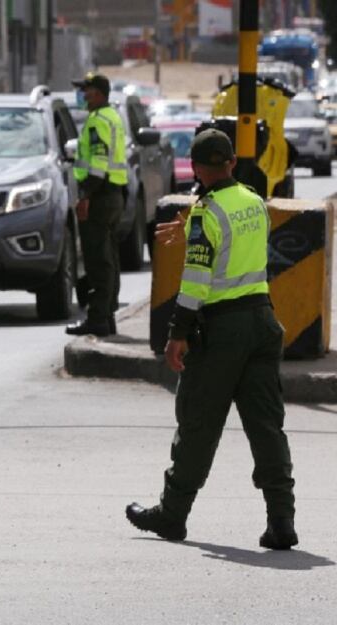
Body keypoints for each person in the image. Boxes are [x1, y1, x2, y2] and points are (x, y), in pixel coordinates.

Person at [126, 129, 297, 550]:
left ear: (197, 169)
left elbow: (198, 279)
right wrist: (194, 224)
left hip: (221, 331)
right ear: (232, 164)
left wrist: (176, 334)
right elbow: (236, 241)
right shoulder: (255, 202)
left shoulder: (206, 213)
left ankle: (172, 514)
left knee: (198, 424)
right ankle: (282, 520)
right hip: (262, 322)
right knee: (266, 426)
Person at [66, 72, 127, 337]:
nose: (83, 95)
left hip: (99, 196)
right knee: (109, 259)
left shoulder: (96, 122)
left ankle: (98, 319)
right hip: (113, 195)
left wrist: (85, 197)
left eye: (86, 90)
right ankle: (107, 315)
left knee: (97, 262)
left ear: (99, 94)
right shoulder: (112, 116)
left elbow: (99, 164)